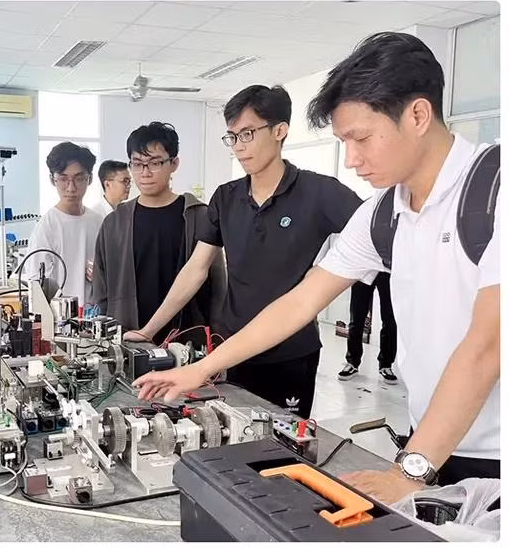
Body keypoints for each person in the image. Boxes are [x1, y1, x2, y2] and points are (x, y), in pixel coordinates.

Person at [133, 32, 500, 504]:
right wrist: (199, 369)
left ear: (418, 115)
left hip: (491, 454)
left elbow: (487, 347)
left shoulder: (494, 193)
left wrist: (412, 469)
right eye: (343, 141)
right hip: (432, 440)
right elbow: (301, 301)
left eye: (361, 138)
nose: (352, 159)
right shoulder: (384, 212)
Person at [126, 86, 362, 418]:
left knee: (283, 447)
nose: (238, 147)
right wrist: (149, 330)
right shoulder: (226, 197)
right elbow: (196, 270)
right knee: (232, 435)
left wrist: (326, 272)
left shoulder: (320, 193)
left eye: (247, 134)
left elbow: (371, 237)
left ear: (280, 131)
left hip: (290, 353)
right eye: (232, 137)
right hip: (232, 349)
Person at [92, 122, 226, 345]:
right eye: (137, 164)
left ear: (174, 163)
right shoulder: (114, 222)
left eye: (155, 163)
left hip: (187, 341)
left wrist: (218, 341)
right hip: (130, 339)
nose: (145, 172)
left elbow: (218, 288)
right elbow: (101, 290)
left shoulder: (199, 216)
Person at [24, 142, 103, 306]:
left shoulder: (98, 222)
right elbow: (36, 285)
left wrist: (101, 275)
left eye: (79, 178)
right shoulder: (47, 227)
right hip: (60, 318)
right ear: (53, 180)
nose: (71, 187)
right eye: (63, 179)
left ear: (90, 179)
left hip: (94, 315)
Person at [338, 272, 398, 384]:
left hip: (387, 268)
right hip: (365, 265)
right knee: (356, 318)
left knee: (390, 319)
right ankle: (352, 363)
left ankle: (386, 365)